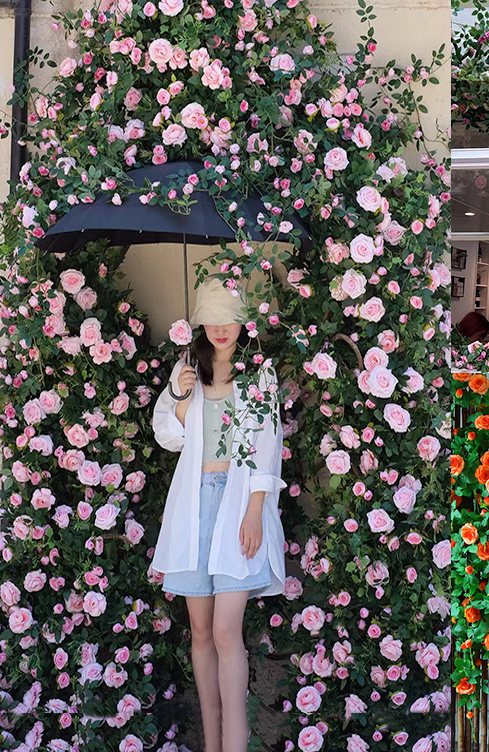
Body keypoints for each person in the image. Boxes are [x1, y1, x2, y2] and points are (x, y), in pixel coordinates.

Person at [151, 276, 287, 752]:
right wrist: (183, 397)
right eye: (211, 318)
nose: (220, 328)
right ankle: (212, 743)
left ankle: (236, 745)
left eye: (229, 317)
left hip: (237, 503)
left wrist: (254, 511)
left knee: (229, 630)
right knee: (202, 632)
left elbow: (269, 447)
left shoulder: (259, 373)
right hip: (193, 506)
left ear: (242, 320)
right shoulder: (187, 368)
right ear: (200, 323)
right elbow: (168, 436)